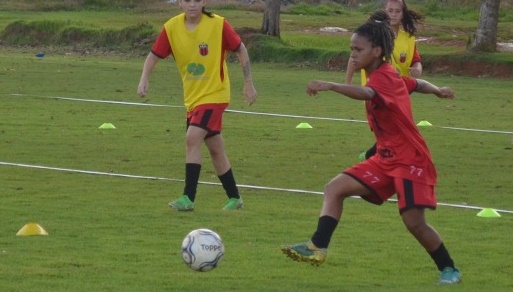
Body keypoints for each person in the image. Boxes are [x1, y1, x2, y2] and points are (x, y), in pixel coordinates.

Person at [281, 10, 461, 285]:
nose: (352, 54)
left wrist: (331, 84)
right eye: (351, 48)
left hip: (410, 159)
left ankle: (449, 269)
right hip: (385, 156)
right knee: (334, 188)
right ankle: (317, 247)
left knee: (414, 223)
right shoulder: (386, 75)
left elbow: (367, 93)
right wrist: (437, 90)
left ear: (376, 51)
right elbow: (415, 83)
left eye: (358, 49)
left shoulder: (382, 79)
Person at [137, 0, 257, 211]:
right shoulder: (171, 27)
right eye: (187, 0)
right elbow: (153, 55)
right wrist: (144, 79)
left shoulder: (218, 24)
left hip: (215, 95)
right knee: (215, 149)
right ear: (180, 4)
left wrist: (248, 83)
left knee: (192, 138)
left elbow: (241, 49)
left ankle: (188, 198)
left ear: (204, 3)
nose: (192, 4)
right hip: (193, 99)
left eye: (197, 0)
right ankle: (235, 198)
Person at [345, 0, 424, 161]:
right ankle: (377, 159)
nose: (393, 14)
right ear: (384, 12)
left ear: (403, 14)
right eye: (390, 10)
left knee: (395, 130)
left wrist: (417, 69)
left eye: (397, 11)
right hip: (376, 90)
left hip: (400, 90)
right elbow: (354, 58)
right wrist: (348, 83)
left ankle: (373, 157)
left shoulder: (408, 39)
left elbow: (416, 60)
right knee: (394, 129)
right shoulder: (374, 37)